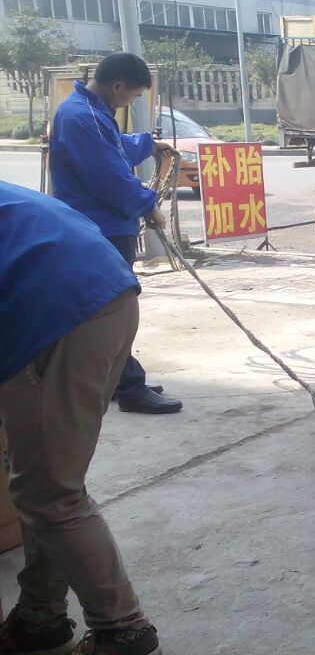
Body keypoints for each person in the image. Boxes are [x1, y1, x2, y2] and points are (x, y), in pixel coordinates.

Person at [0, 182, 163, 655]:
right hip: (107, 293)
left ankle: (124, 631)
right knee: (44, 477)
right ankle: (39, 617)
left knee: (50, 493)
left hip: (58, 309)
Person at [48, 53, 183, 416]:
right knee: (114, 314)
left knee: (103, 311)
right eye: (133, 95)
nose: (131, 101)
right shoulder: (82, 117)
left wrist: (147, 144)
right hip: (101, 230)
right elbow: (109, 175)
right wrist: (148, 205)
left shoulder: (86, 112)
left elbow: (113, 148)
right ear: (119, 86)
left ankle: (113, 380)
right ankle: (130, 389)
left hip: (100, 227)